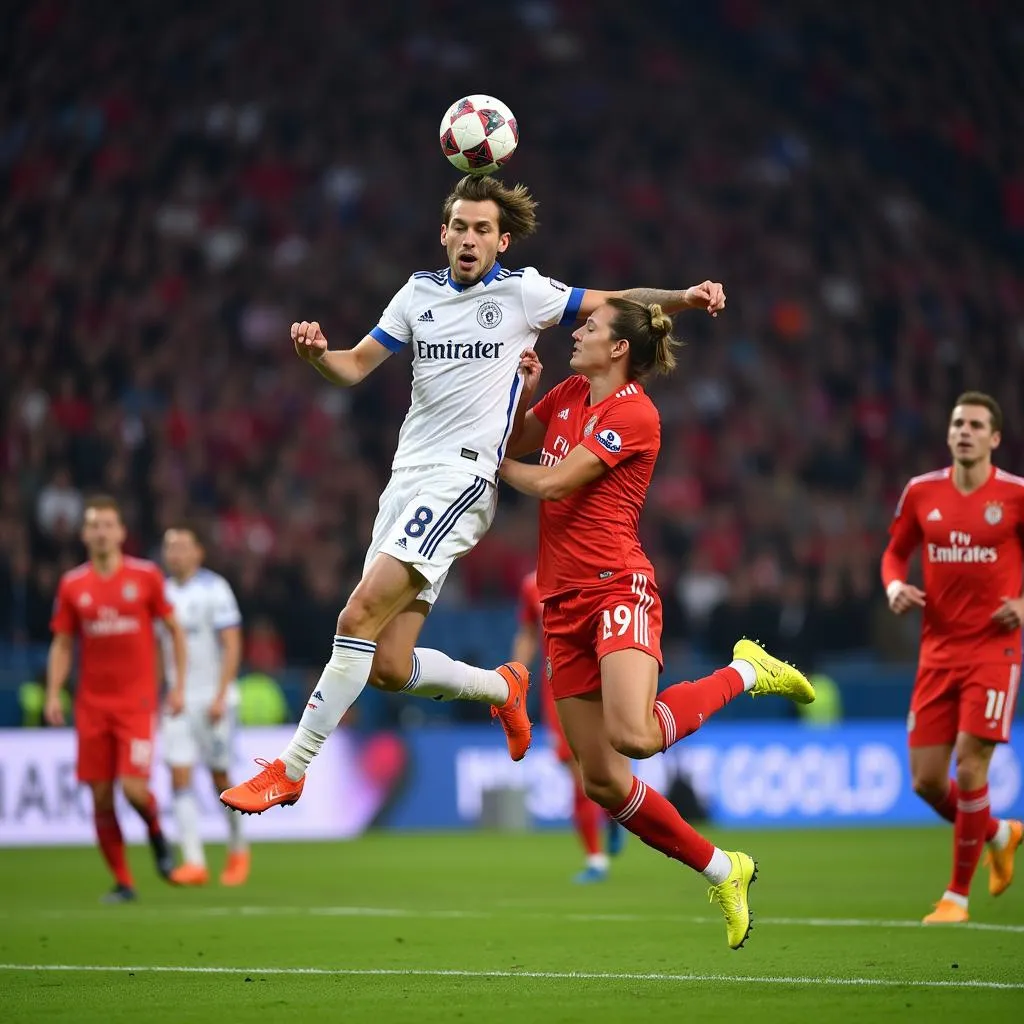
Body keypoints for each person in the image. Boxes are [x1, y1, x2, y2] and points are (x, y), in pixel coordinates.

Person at [221, 173, 726, 814]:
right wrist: (317, 353)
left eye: (482, 229)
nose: (468, 237)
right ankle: (501, 688)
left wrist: (683, 296)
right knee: (386, 663)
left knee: (355, 618)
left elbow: (619, 300)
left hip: (463, 479)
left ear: (501, 240)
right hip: (405, 482)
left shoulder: (524, 294)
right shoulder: (415, 296)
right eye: (459, 226)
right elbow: (352, 367)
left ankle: (291, 769)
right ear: (443, 233)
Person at [499, 300, 815, 950]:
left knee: (636, 737)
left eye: (590, 327)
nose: (577, 330)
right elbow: (516, 441)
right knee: (604, 780)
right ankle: (725, 868)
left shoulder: (635, 412)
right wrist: (521, 394)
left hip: (618, 585)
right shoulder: (566, 392)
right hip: (560, 605)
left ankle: (745, 669)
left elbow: (557, 483)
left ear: (619, 348)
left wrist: (487, 468)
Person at [882, 391, 1024, 924]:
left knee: (970, 765)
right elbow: (895, 553)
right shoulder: (922, 492)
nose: (965, 431)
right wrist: (895, 586)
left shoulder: (1014, 495)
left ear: (994, 439)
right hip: (937, 650)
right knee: (925, 781)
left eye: (976, 425)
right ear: (948, 433)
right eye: (958, 422)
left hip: (994, 650)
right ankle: (998, 832)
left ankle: (956, 898)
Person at [44, 495, 185, 902]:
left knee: (134, 789)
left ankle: (156, 834)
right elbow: (63, 643)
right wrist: (55, 692)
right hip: (91, 705)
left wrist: (175, 686)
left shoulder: (145, 577)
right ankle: (124, 882)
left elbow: (173, 630)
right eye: (94, 525)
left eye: (108, 524)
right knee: (101, 797)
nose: (101, 531)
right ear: (84, 533)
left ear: (121, 532)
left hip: (136, 703)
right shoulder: (73, 584)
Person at [513, 569, 624, 883]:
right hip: (557, 691)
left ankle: (614, 813)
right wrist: (516, 673)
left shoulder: (594, 572)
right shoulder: (531, 584)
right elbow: (527, 632)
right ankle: (596, 859)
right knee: (575, 767)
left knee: (608, 764)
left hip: (601, 682)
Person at [159, 524, 249, 887]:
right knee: (179, 775)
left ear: (198, 552)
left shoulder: (215, 589)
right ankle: (194, 862)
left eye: (182, 546)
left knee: (220, 778)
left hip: (213, 698)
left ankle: (238, 847)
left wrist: (220, 694)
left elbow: (231, 643)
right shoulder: (160, 593)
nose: (175, 553)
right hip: (177, 699)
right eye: (170, 547)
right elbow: (155, 648)